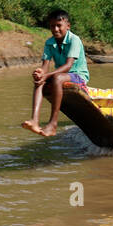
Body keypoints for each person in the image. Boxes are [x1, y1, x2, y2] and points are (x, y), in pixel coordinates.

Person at [22, 9, 89, 137]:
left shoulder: (74, 40)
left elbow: (68, 66)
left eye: (59, 26)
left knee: (57, 78)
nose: (56, 29)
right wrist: (40, 73)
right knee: (39, 80)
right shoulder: (49, 42)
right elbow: (45, 67)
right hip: (62, 75)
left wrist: (47, 75)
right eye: (53, 26)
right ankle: (34, 120)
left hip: (78, 76)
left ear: (68, 26)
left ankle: (53, 124)